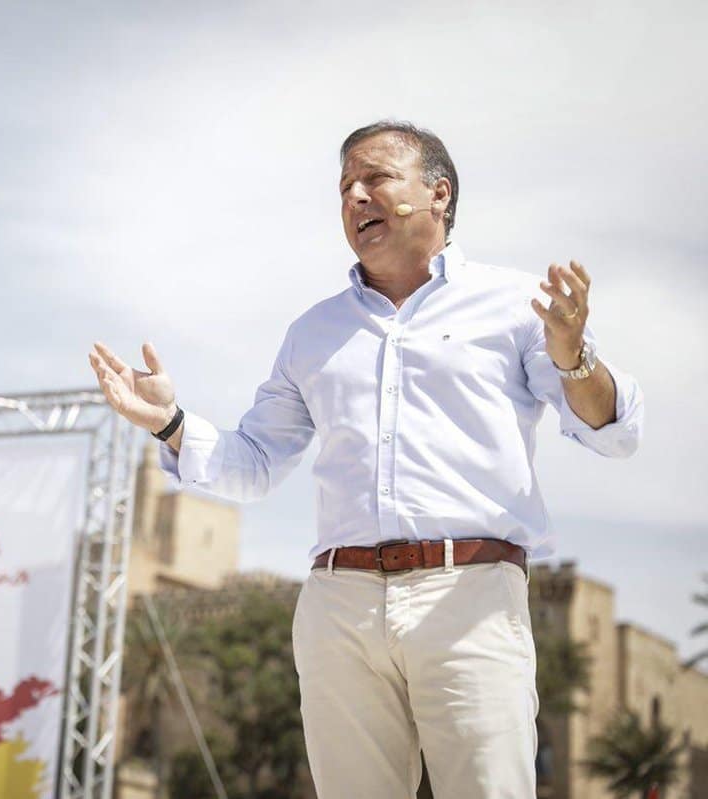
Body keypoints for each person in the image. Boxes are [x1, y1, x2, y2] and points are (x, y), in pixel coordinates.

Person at [88, 120, 643, 798]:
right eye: (344, 186)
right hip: (339, 604)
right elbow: (256, 461)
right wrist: (170, 423)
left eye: (375, 178)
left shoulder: (517, 305)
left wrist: (574, 355)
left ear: (439, 194)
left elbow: (611, 429)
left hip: (468, 597)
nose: (355, 196)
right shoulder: (313, 333)